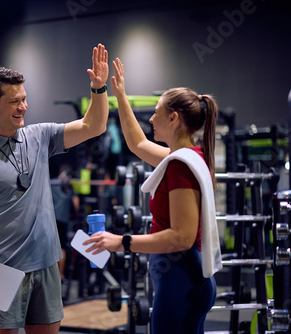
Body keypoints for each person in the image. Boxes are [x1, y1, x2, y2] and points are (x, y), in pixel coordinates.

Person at [0, 43, 109, 334]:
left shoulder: (40, 136)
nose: (23, 107)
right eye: (14, 101)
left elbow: (94, 126)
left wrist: (98, 90)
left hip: (46, 264)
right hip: (2, 270)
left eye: (24, 99)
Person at [84, 58, 222, 333]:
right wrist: (120, 96)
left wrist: (121, 241)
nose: (150, 118)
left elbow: (181, 237)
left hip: (180, 281)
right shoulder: (187, 157)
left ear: (174, 118)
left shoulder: (182, 165)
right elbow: (138, 143)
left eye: (156, 111)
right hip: (182, 280)